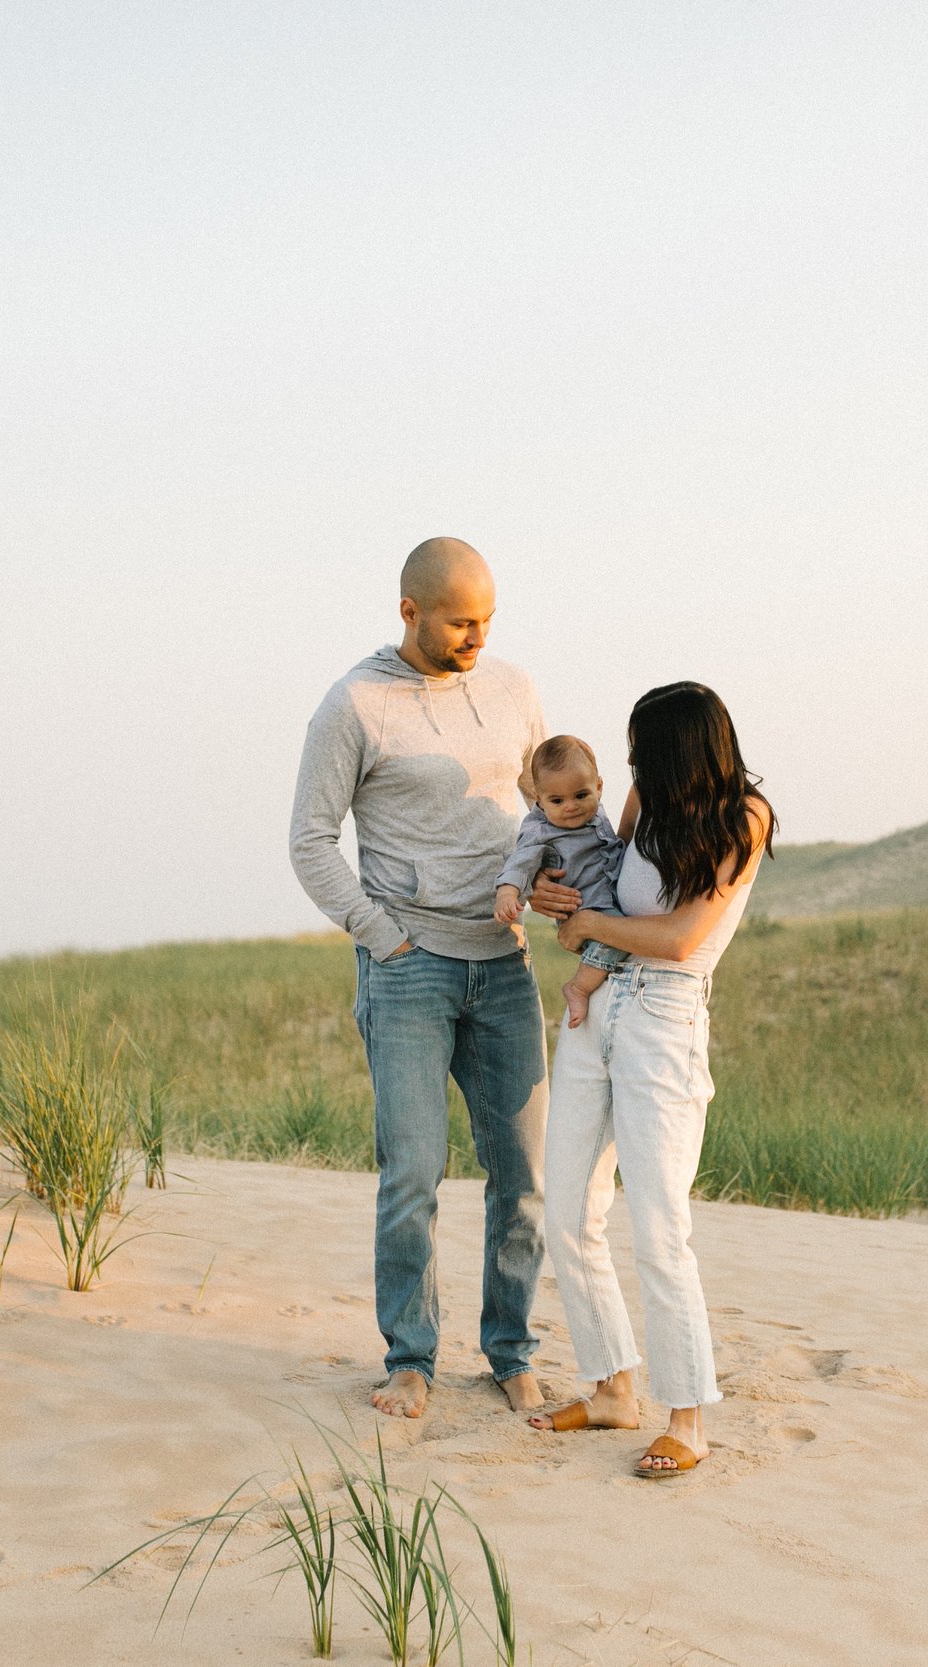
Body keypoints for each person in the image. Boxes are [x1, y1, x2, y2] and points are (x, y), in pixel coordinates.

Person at [287, 537, 570, 1420]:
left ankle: (510, 1351)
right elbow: (308, 840)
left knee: (521, 1173)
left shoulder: (514, 689)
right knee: (412, 1170)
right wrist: (381, 935)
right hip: (408, 969)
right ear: (410, 611)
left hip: (505, 967)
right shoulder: (354, 704)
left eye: (487, 620)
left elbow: (541, 808)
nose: (476, 636)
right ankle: (410, 1359)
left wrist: (556, 879)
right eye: (459, 621)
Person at [526, 681, 775, 1477]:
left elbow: (678, 934)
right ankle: (611, 1388)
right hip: (595, 1011)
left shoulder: (746, 818)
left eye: (642, 752)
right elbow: (592, 867)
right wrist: (549, 891)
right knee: (567, 1208)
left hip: (665, 1018)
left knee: (661, 1225)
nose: (631, 767)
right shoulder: (644, 801)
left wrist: (591, 925)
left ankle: (688, 1418)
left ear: (682, 753)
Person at [493, 735, 631, 1031]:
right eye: (557, 801)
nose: (571, 807)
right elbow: (521, 861)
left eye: (581, 795)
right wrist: (508, 890)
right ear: (540, 801)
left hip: (605, 897)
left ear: (599, 787)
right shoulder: (540, 829)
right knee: (618, 936)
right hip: (586, 907)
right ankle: (578, 988)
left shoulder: (594, 813)